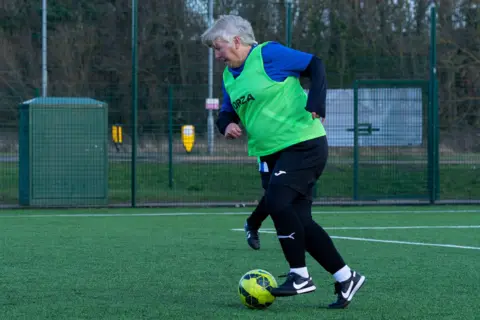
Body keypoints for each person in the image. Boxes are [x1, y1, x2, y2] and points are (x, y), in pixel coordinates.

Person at [202, 15, 366, 309]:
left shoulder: (268, 54)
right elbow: (227, 112)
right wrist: (225, 125)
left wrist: (316, 101)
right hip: (270, 152)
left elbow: (315, 64)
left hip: (304, 143)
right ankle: (346, 277)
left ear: (237, 41)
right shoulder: (230, 76)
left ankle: (300, 276)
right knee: (301, 221)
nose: (217, 55)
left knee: (278, 203)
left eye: (219, 47)